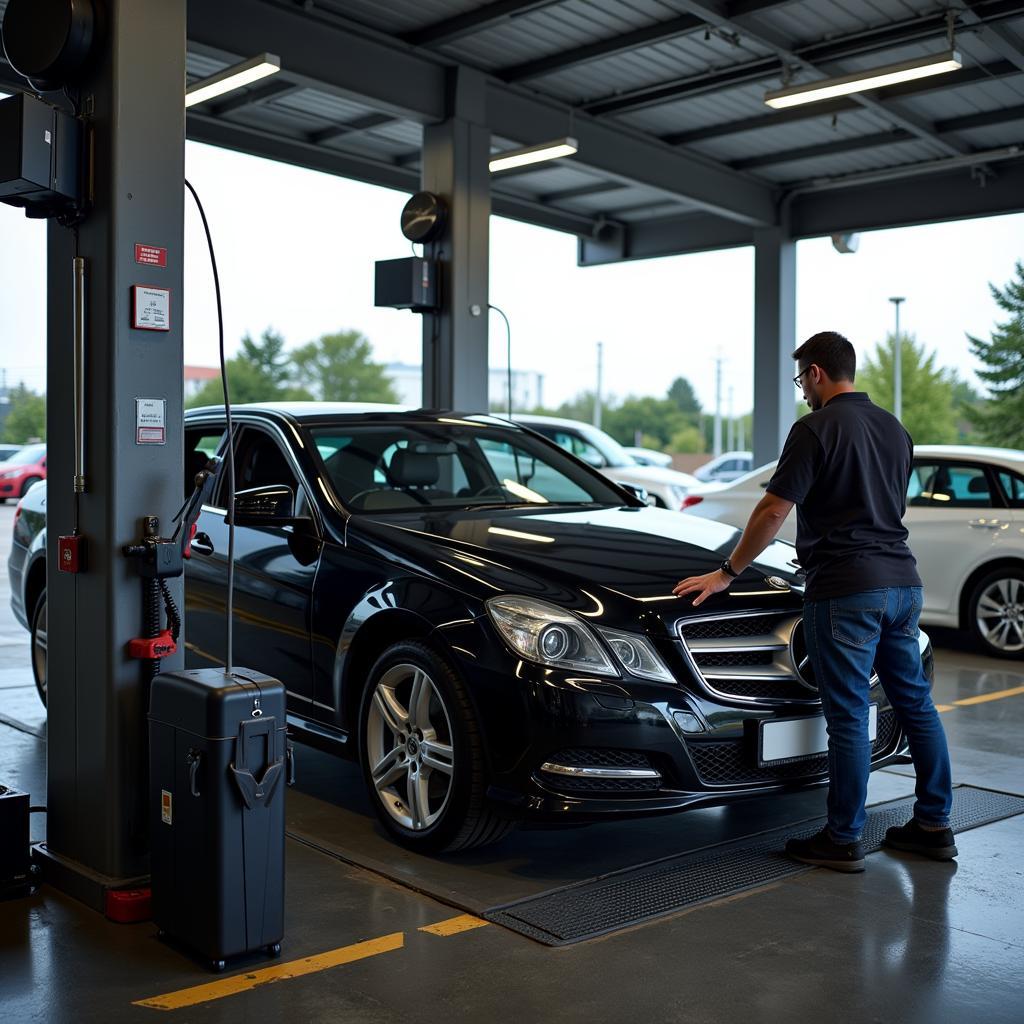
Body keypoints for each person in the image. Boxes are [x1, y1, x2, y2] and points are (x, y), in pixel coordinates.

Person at [673, 331, 955, 873]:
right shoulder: (895, 430)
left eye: (802, 378)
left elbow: (774, 510)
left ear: (819, 373)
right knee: (916, 705)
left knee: (848, 715)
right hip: (903, 583)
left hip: (848, 587)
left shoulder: (815, 428)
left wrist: (728, 571)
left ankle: (842, 838)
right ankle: (934, 825)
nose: (801, 388)